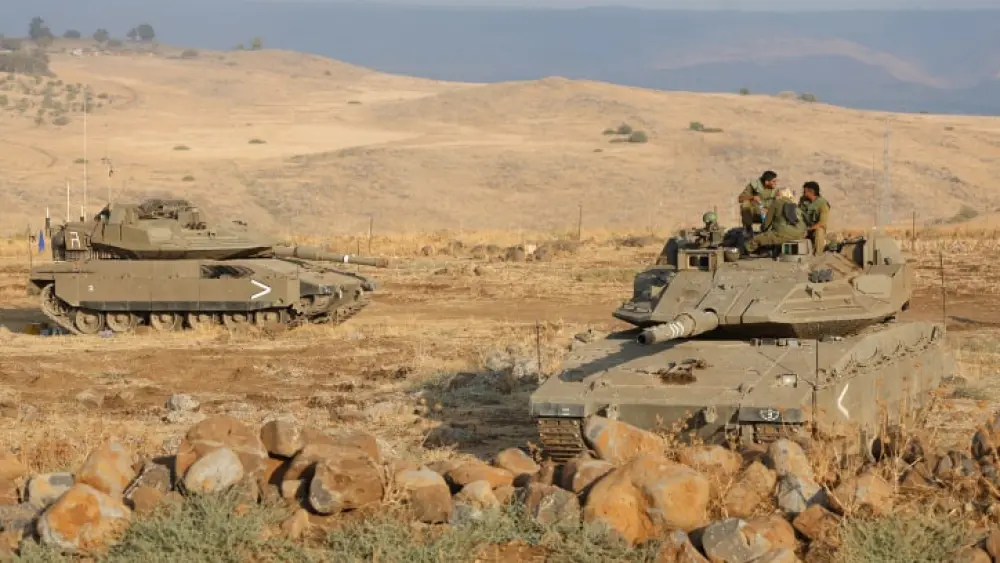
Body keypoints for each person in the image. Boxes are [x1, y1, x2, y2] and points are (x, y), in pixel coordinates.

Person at [744, 186, 806, 254]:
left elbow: (766, 224)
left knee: (755, 240)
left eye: (776, 194)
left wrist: (763, 231)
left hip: (784, 234)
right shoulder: (794, 204)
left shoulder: (776, 202)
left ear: (779, 195)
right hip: (801, 233)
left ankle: (744, 253)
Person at [799, 181, 830, 255]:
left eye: (805, 191)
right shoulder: (803, 200)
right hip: (805, 227)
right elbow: (798, 214)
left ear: (811, 192)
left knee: (819, 231)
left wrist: (809, 229)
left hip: (815, 229)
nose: (803, 193)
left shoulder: (822, 203)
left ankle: (818, 254)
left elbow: (822, 223)